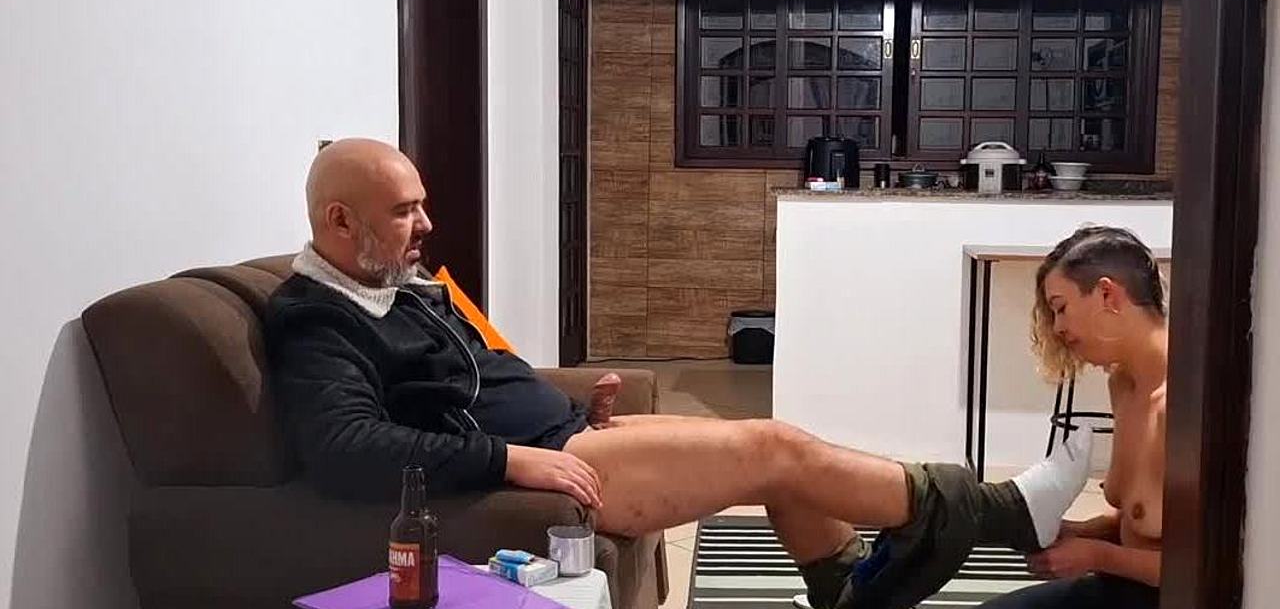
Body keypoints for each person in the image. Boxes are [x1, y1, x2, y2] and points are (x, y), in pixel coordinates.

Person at [266, 138, 1094, 609]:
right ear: (339, 221)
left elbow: (474, 379)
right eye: (404, 210)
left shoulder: (390, 284)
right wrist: (514, 459)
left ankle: (848, 591)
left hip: (569, 434)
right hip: (554, 464)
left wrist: (569, 402)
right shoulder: (317, 318)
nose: (426, 223)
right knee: (773, 450)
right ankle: (1002, 512)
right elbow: (345, 447)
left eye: (420, 203)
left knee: (783, 452)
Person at [977, 226, 1166, 608]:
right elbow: (1140, 519)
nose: (1058, 328)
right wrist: (1077, 532)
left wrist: (1096, 556)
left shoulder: (1181, 406)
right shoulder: (1124, 384)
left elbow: (1205, 567)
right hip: (1122, 589)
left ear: (1107, 294)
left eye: (1061, 308)